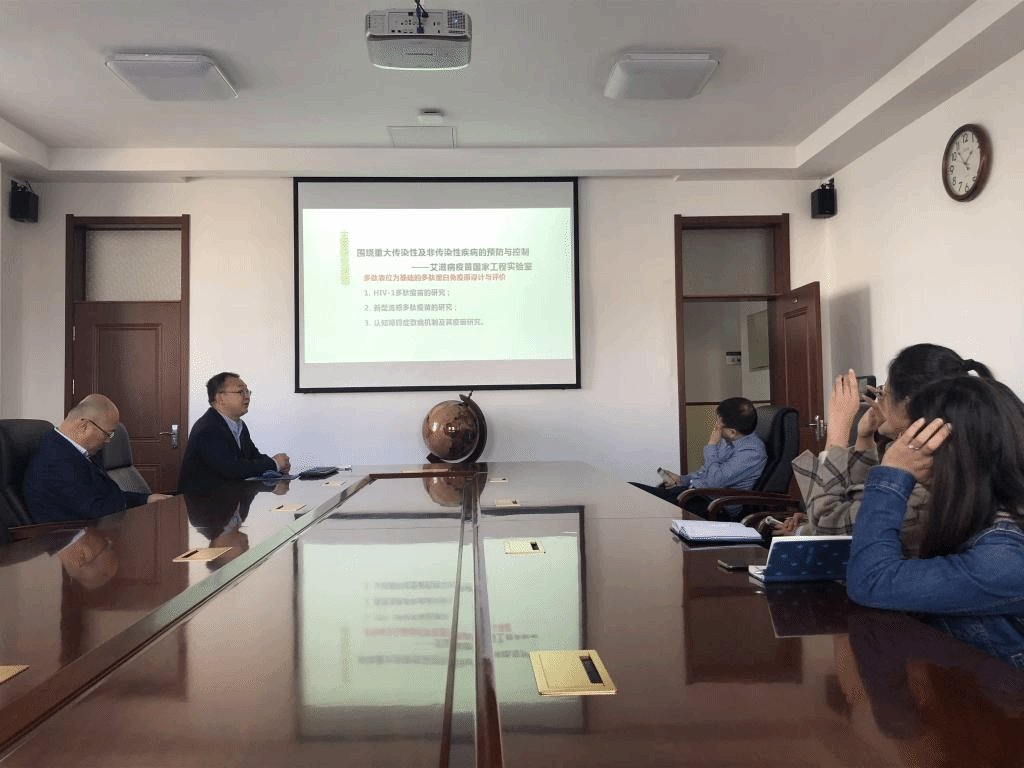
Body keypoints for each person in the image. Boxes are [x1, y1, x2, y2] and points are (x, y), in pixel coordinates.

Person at [846, 376, 1024, 669]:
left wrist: (892, 472)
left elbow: (872, 581)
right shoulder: (986, 517)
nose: (905, 448)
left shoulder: (1004, 556)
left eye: (917, 442)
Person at [789, 344, 992, 554]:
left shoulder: (926, 488)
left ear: (907, 404)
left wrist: (837, 435)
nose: (879, 400)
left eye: (884, 392)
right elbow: (863, 501)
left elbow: (829, 530)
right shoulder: (948, 455)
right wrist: (864, 437)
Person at [23, 394, 171, 523]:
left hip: (96, 530)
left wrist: (146, 499)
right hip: (69, 539)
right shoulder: (56, 459)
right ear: (84, 426)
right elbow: (97, 510)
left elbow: (106, 497)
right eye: (107, 434)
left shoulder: (75, 451)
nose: (108, 441)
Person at [632, 397, 766, 518]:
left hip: (714, 507)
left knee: (638, 501)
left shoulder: (752, 452)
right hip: (695, 494)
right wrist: (682, 479)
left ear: (732, 432)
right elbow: (706, 471)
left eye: (718, 426)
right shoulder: (731, 439)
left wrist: (712, 445)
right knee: (632, 490)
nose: (716, 428)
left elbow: (714, 482)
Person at [177, 372, 290, 494]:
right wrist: (274, 464)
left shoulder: (239, 425)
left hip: (229, 499)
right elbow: (232, 469)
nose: (247, 397)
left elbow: (254, 457)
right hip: (203, 501)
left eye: (247, 391)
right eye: (241, 392)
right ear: (220, 398)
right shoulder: (208, 428)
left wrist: (280, 466)